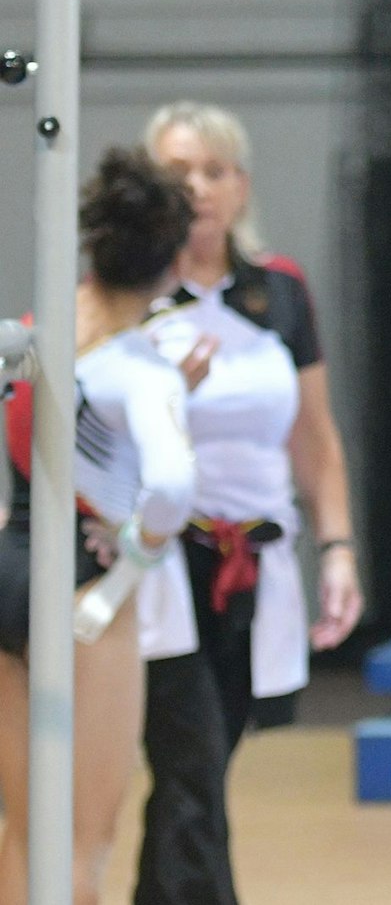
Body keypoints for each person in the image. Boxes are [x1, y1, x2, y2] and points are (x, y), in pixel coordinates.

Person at [135, 102, 364, 905]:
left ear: (241, 186)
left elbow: (315, 436)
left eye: (213, 170)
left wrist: (337, 549)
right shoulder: (127, 294)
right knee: (189, 764)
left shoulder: (282, 291)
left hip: (256, 561)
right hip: (159, 563)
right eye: (177, 172)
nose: (196, 189)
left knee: (203, 767)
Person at [0, 148, 196, 905]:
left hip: (11, 563)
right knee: (84, 843)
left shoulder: (32, 330)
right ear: (174, 261)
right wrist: (128, 575)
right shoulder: (139, 366)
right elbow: (174, 483)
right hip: (81, 581)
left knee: (25, 830)